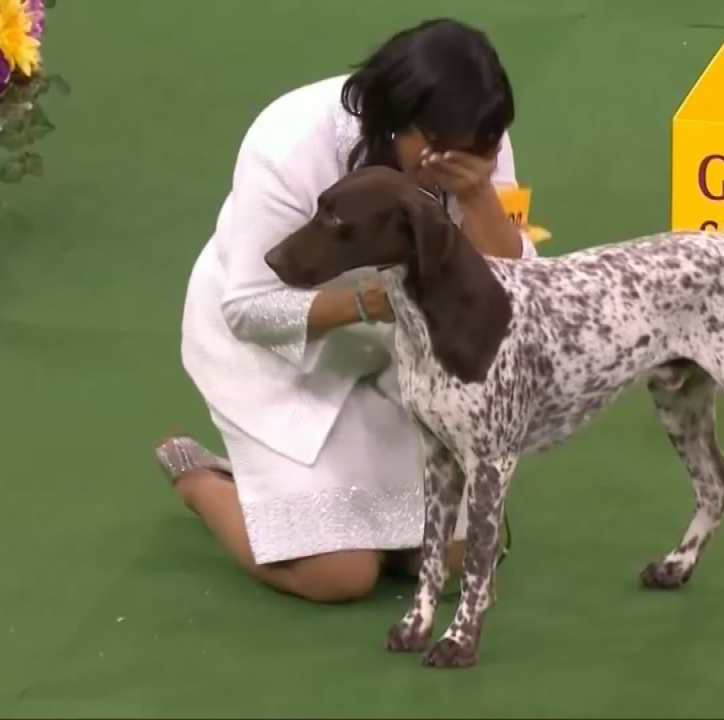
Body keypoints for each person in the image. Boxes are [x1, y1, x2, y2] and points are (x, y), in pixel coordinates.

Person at [155, 18, 535, 604]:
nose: (466, 161)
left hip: (397, 358)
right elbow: (250, 309)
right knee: (340, 576)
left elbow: (517, 285)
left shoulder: (472, 143)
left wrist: (479, 193)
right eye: (445, 151)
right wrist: (366, 304)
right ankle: (201, 479)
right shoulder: (286, 145)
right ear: (398, 121)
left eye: (482, 149)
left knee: (450, 553)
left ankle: (342, 500)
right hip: (278, 360)